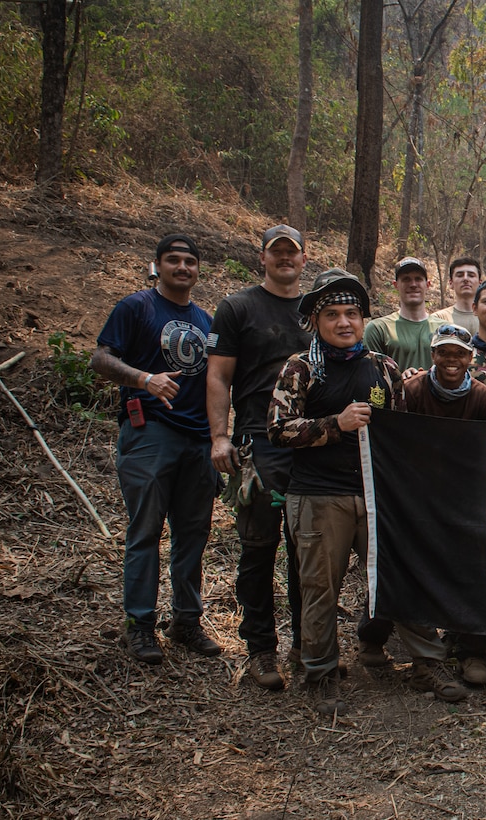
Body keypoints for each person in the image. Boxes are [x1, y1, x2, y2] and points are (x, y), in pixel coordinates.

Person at [268, 270, 464, 715]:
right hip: (319, 496)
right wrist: (333, 425)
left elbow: (399, 432)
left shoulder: (382, 367)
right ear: (317, 321)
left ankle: (427, 664)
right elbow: (277, 429)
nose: (344, 322)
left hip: (376, 496)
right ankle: (321, 673)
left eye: (352, 314)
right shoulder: (302, 367)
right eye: (333, 315)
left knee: (400, 576)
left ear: (363, 320)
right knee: (320, 588)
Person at [91, 234, 220, 664]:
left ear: (198, 270)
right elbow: (101, 359)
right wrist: (144, 379)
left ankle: (186, 621)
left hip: (198, 439)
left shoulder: (205, 320)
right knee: (146, 532)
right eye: (173, 260)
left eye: (189, 261)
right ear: (158, 266)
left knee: (193, 535)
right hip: (150, 433)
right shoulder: (136, 307)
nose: (182, 267)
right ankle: (140, 625)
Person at [206, 224, 310, 691]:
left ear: (303, 259)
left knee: (307, 549)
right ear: (263, 257)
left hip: (307, 442)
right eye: (276, 251)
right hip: (256, 442)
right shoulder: (238, 308)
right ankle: (260, 649)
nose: (285, 258)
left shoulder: (315, 311)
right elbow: (217, 376)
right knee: (258, 547)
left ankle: (306, 645)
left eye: (292, 252)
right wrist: (219, 437)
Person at [402, 323, 486, 687]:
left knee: (470, 569)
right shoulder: (412, 390)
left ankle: (471, 648)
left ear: (471, 358)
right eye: (444, 352)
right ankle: (374, 637)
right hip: (417, 495)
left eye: (459, 353)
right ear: (433, 355)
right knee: (405, 564)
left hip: (464, 498)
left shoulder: (482, 397)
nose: (451, 360)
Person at [362, 256, 441, 373]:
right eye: (406, 279)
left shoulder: (443, 329)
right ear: (396, 285)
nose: (413, 284)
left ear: (427, 285)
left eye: (418, 279)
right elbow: (373, 376)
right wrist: (401, 380)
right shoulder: (379, 329)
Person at [430, 257, 482, 335]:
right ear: (451, 283)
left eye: (471, 275)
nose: (465, 279)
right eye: (460, 275)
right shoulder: (438, 318)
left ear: (480, 283)